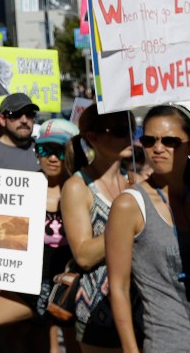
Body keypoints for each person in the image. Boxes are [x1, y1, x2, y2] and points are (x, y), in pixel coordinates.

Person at [0, 118, 81, 353]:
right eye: (44, 149)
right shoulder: (20, 188)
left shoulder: (84, 191)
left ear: (71, 153)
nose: (51, 157)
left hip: (68, 291)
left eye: (59, 151)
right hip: (23, 290)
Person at [107, 104, 190, 352]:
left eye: (170, 141)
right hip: (167, 344)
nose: (158, 148)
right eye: (149, 140)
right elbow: (118, 287)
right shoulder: (130, 205)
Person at [60, 104, 140, 352]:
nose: (128, 136)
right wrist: (125, 228)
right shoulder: (78, 187)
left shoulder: (136, 179)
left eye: (131, 128)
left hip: (142, 307)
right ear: (92, 138)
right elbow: (83, 255)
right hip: (98, 311)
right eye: (118, 130)